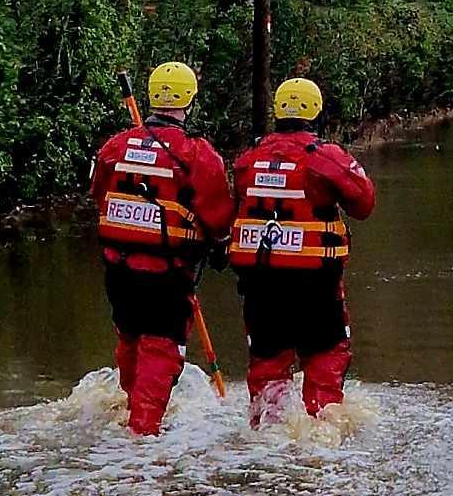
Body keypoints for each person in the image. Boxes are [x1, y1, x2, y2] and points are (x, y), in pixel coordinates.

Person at [90, 61, 234, 435]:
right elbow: (218, 215)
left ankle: (130, 408)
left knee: (130, 338)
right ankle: (142, 433)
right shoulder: (196, 154)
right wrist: (219, 247)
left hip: (118, 268)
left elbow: (100, 195)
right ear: (189, 100)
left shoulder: (116, 146)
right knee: (160, 348)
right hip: (166, 272)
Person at [229, 77, 376, 425]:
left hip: (260, 280)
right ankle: (318, 433)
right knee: (325, 354)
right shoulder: (325, 157)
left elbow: (233, 204)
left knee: (268, 359)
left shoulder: (248, 159)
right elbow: (364, 203)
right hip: (314, 282)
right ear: (316, 111)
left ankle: (267, 429)